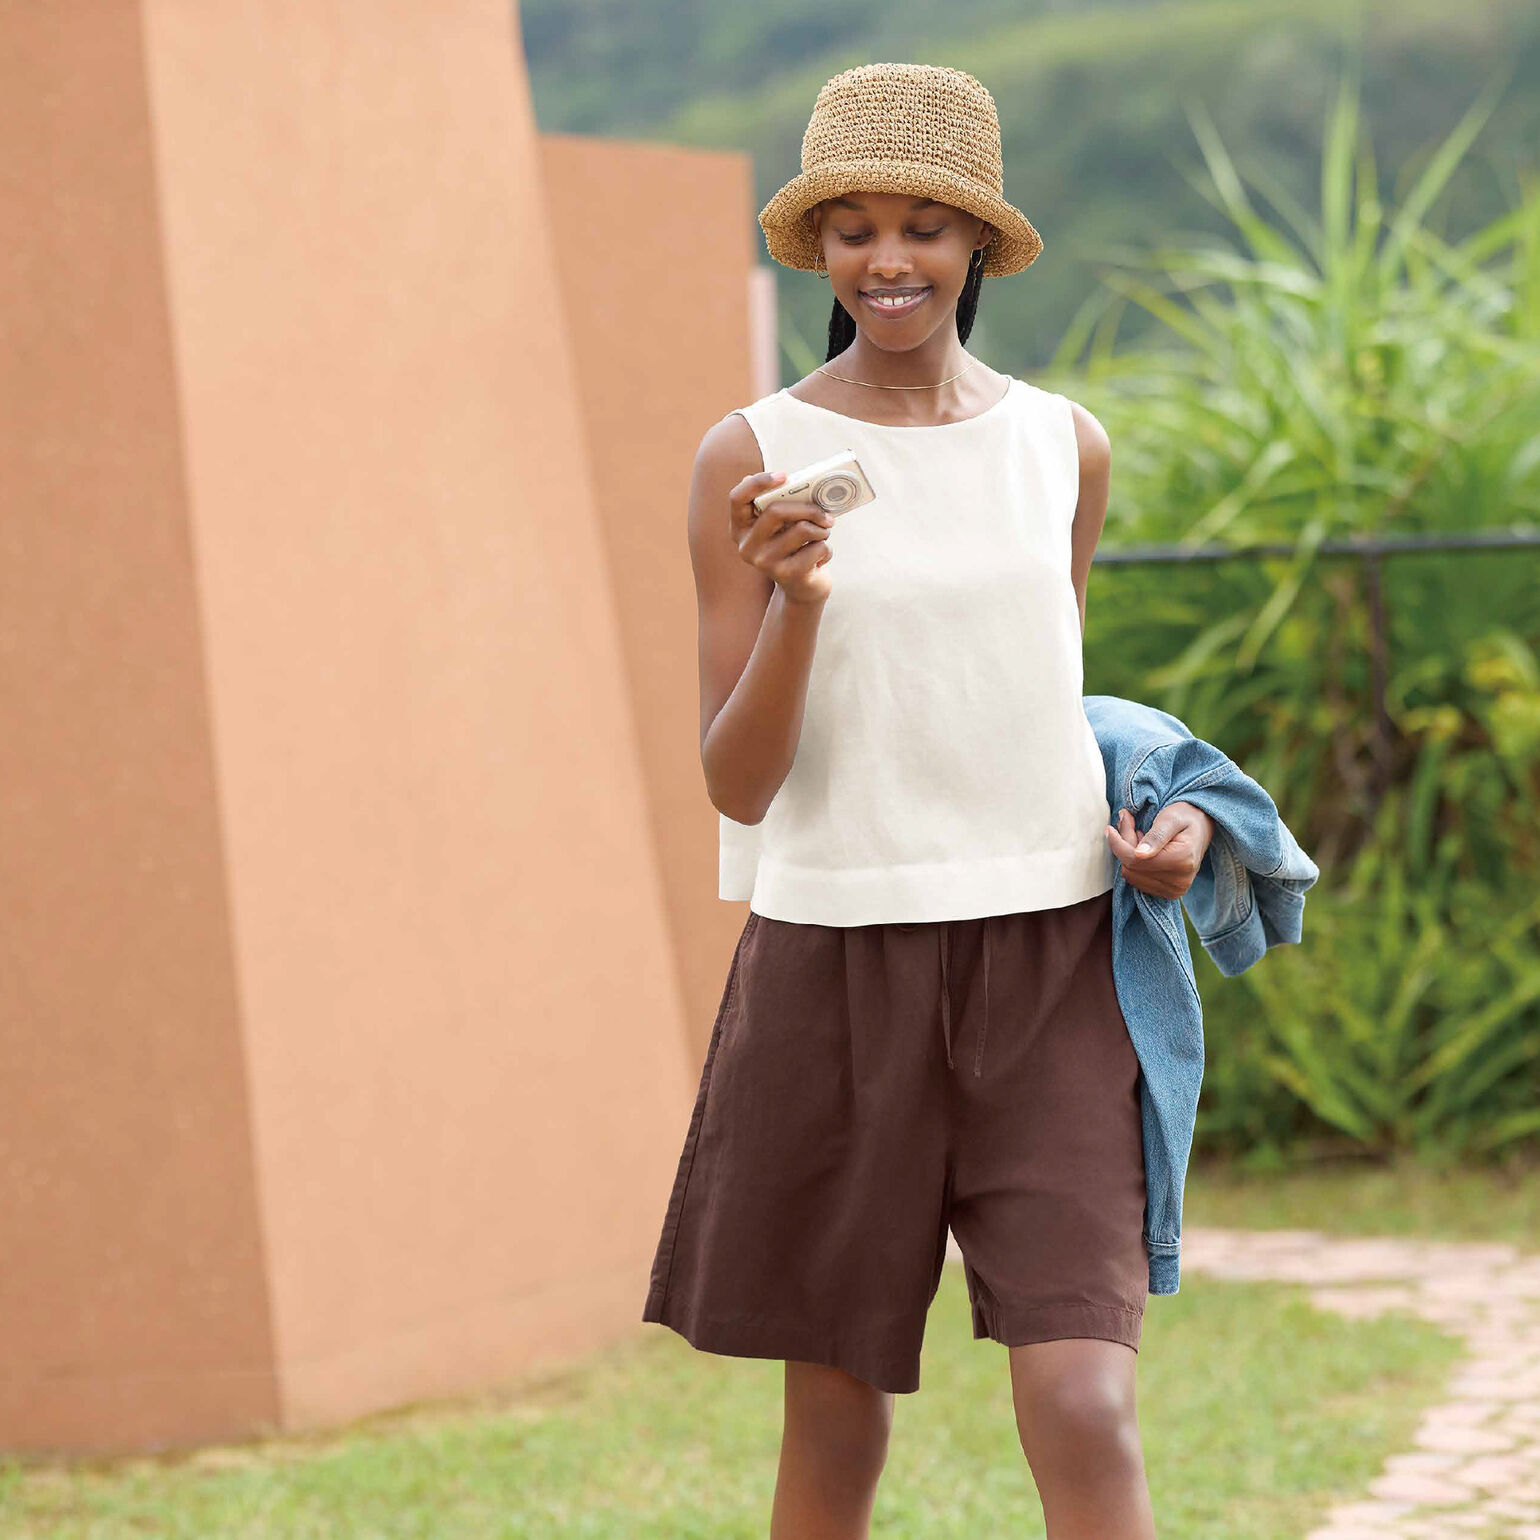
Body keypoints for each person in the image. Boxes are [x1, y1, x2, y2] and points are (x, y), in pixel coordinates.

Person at [641, 62, 1213, 1540]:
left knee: (1086, 1403)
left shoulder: (1061, 444)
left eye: (920, 227)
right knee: (835, 1426)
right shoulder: (751, 458)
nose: (886, 261)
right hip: (836, 963)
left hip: (1052, 966)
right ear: (817, 251)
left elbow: (1044, 702)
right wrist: (801, 605)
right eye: (852, 231)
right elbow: (734, 777)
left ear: (975, 243)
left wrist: (1169, 829)